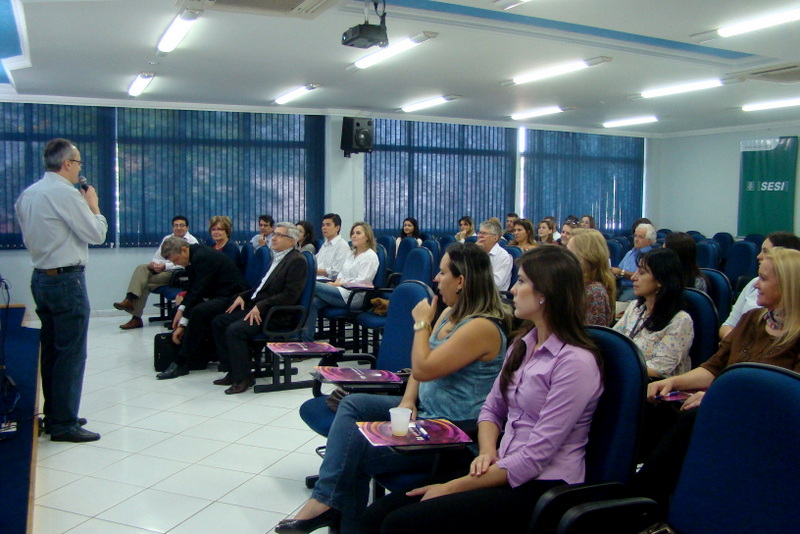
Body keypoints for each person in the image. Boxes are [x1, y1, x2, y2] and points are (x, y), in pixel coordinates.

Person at [361, 245, 603, 534]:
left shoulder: (575, 363)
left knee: (399, 523)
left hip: (543, 486)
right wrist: (487, 453)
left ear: (545, 293)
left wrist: (453, 486)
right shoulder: (524, 344)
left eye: (521, 281)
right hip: (501, 466)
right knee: (375, 517)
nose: (513, 289)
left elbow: (536, 456)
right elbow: (492, 409)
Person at [277, 243, 512, 534]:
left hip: (451, 433)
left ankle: (329, 509)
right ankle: (326, 505)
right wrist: (408, 401)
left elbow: (424, 367)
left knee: (353, 454)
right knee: (353, 404)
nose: (436, 279)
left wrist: (421, 324)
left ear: (461, 281)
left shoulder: (481, 327)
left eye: (442, 273)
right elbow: (418, 369)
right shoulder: (449, 313)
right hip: (424, 413)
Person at [637, 247, 800, 508]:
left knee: (693, 419)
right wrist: (672, 382)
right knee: (654, 402)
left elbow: (787, 402)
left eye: (763, 278)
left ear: (788, 285)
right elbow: (713, 368)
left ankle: (644, 497)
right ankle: (644, 485)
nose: (755, 284)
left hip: (767, 423)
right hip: (725, 408)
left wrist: (719, 399)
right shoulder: (751, 319)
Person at [15, 138, 108, 442]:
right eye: (78, 162)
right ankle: (64, 423)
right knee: (71, 353)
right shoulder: (65, 194)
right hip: (67, 280)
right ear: (67, 163)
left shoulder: (29, 194)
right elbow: (96, 233)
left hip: (41, 278)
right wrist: (93, 206)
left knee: (53, 350)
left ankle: (55, 414)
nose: (80, 168)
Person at [211, 222, 308, 394]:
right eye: (274, 234)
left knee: (235, 330)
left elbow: (290, 296)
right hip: (260, 308)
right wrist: (244, 296)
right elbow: (262, 288)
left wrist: (261, 305)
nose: (274, 238)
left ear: (291, 241)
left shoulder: (297, 261)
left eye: (279, 235)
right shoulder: (276, 257)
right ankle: (233, 370)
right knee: (219, 322)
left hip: (275, 314)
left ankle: (244, 378)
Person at [155, 237, 248, 379]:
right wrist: (181, 310)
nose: (175, 264)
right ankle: (196, 356)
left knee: (198, 312)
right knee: (178, 311)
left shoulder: (201, 257)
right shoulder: (194, 255)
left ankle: (182, 362)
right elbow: (192, 286)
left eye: (176, 259)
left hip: (233, 296)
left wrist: (183, 323)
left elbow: (198, 290)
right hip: (218, 293)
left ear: (184, 249)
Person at [613, 248, 693, 378]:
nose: (633, 277)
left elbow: (659, 369)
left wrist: (615, 366)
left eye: (642, 273)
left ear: (660, 280)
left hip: (653, 385)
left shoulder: (680, 321)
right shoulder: (635, 307)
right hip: (625, 376)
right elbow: (614, 341)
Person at [112, 215, 199, 330]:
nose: (178, 228)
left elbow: (185, 263)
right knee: (141, 268)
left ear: (187, 227)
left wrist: (165, 266)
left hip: (175, 274)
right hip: (160, 270)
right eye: (176, 225)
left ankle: (135, 317)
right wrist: (156, 265)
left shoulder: (192, 242)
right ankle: (129, 299)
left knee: (144, 283)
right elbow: (158, 256)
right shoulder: (168, 239)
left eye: (181, 225)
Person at [302, 222, 380, 342]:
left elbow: (362, 282)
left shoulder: (370, 256)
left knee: (311, 284)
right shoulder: (351, 253)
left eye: (358, 233)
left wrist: (336, 284)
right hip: (339, 291)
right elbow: (341, 274)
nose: (354, 236)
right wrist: (337, 283)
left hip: (354, 296)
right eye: (353, 233)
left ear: (367, 236)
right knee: (313, 302)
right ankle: (306, 341)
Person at [719, 231, 800, 339]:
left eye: (766, 251)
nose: (758, 256)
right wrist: (738, 342)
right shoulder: (751, 315)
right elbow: (728, 325)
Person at [567, 229, 615, 326]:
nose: (566, 257)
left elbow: (587, 332)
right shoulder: (577, 283)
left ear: (586, 257)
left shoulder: (595, 292)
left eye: (570, 253)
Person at [611, 222, 656, 302]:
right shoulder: (630, 253)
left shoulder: (650, 257)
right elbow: (619, 269)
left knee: (621, 301)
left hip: (634, 287)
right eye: (635, 236)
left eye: (640, 237)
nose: (636, 239)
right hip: (620, 284)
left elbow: (642, 277)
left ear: (649, 241)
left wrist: (622, 272)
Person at [476, 219, 512, 291]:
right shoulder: (476, 253)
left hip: (494, 295)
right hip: (476, 292)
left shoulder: (503, 256)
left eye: (484, 233)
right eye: (479, 233)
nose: (480, 236)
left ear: (495, 238)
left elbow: (496, 284)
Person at [316, 213, 351, 279]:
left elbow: (336, 272)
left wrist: (314, 271)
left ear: (337, 228)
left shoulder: (342, 246)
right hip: (318, 278)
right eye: (323, 225)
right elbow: (315, 262)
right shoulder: (325, 244)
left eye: (328, 225)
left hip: (330, 281)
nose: (324, 228)